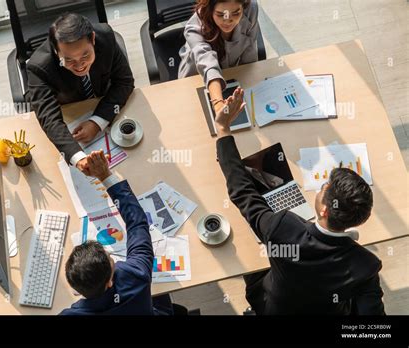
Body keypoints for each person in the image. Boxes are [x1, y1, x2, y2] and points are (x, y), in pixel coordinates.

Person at [213, 88, 385, 315]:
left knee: (251, 262)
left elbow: (243, 193)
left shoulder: (284, 228)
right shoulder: (366, 265)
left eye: (325, 188)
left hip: (272, 307)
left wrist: (223, 129)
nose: (322, 187)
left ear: (324, 210)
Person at [60, 150, 174, 315]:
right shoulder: (135, 276)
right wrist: (105, 176)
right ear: (110, 283)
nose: (112, 258)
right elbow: (137, 223)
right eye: (110, 259)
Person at [26, 13, 134, 176]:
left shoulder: (106, 37)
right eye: (69, 60)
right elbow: (50, 120)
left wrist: (97, 122)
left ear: (93, 38)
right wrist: (78, 158)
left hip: (101, 101)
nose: (80, 66)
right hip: (68, 110)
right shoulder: (38, 67)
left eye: (85, 55)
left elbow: (124, 82)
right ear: (56, 51)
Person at [178, 0, 259, 114]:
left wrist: (249, 87)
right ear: (210, 9)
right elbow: (208, 66)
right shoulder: (193, 28)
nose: (228, 20)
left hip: (232, 76)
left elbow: (249, 52)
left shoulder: (251, 8)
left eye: (236, 13)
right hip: (197, 81)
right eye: (220, 14)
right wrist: (218, 104)